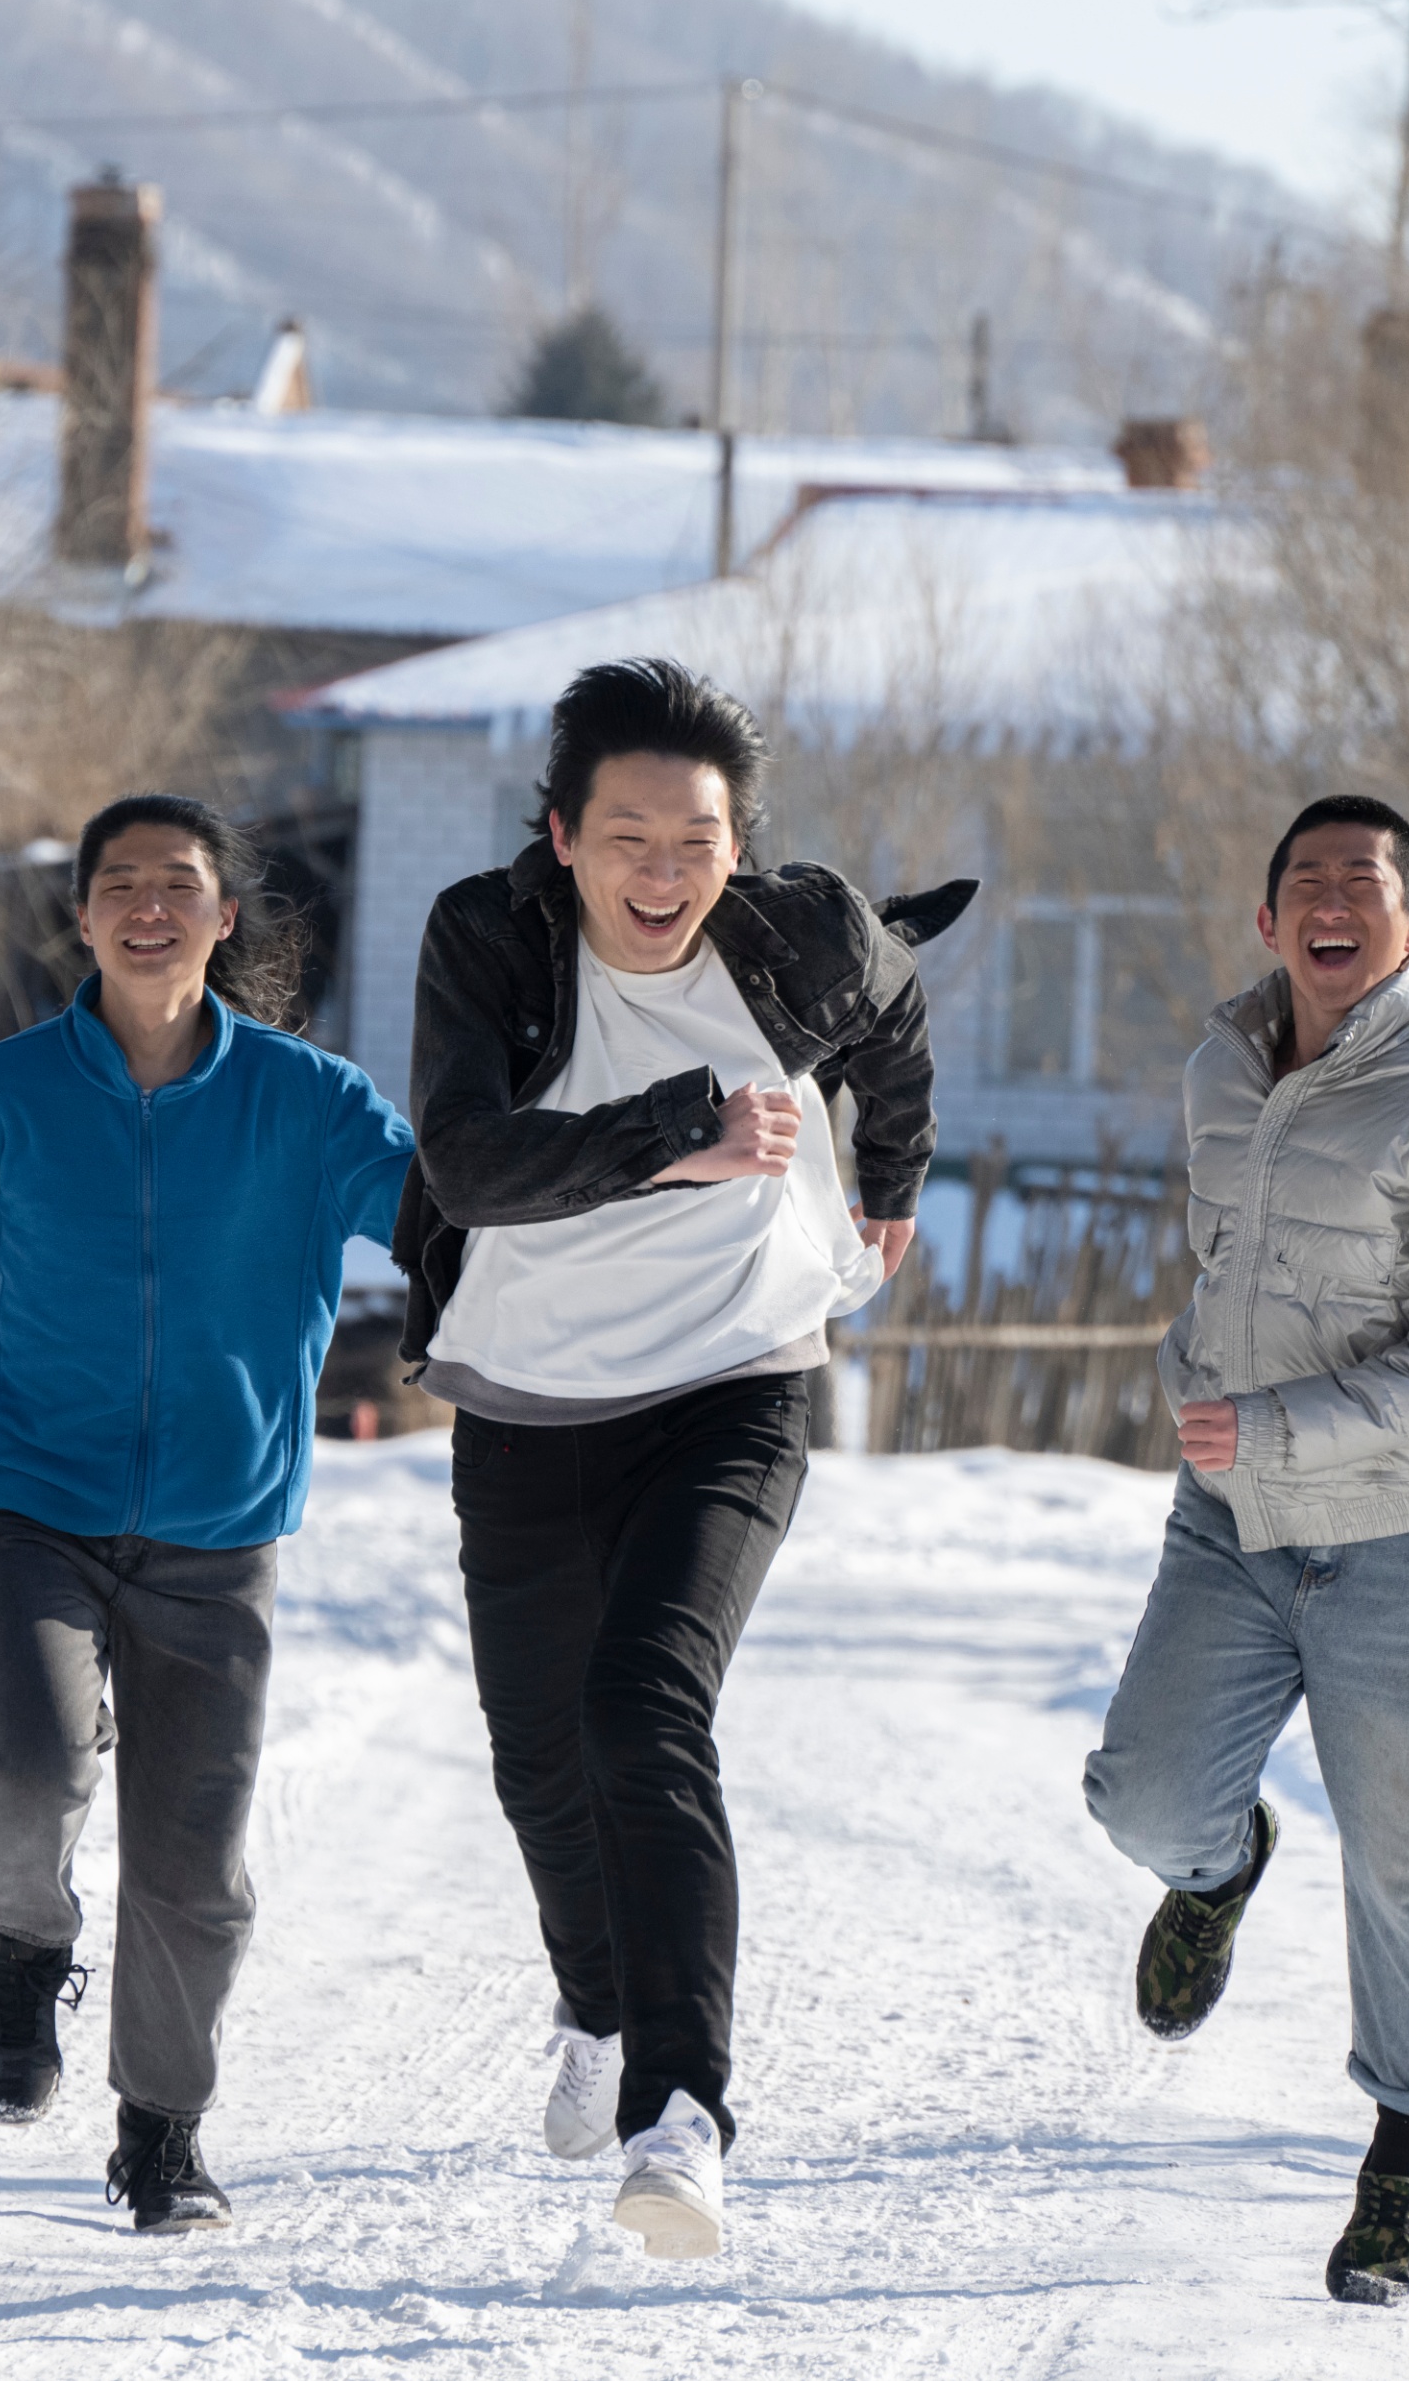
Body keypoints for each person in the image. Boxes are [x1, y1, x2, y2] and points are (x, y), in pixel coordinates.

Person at [0, 795, 413, 2235]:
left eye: (177, 884)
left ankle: (162, 2137)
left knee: (194, 1865)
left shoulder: (309, 1104)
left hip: (219, 1530)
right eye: (116, 883)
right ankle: (21, 1946)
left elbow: (440, 1225)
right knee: (33, 1770)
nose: (147, 905)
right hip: (26, 1504)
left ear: (222, 915)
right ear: (79, 916)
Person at [396, 657, 968, 2260]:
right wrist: (678, 1131)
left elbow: (898, 1009)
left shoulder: (805, 937)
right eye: (628, 838)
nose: (663, 875)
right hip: (521, 1393)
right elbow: (467, 1162)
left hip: (737, 1374)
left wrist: (890, 1176)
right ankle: (592, 1997)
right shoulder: (487, 939)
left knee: (642, 1701)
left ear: (740, 847)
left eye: (696, 841)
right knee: (536, 1765)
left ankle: (680, 2111)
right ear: (562, 835)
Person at [1081, 796, 1409, 2307]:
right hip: (1231, 1524)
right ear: (1267, 921)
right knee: (1140, 1797)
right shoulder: (1220, 1068)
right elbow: (1224, 1263)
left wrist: (1277, 1429)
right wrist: (1194, 1375)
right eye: (1305, 880)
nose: (1332, 898)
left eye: (1366, 882)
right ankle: (1217, 1872)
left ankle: (1398, 2166)